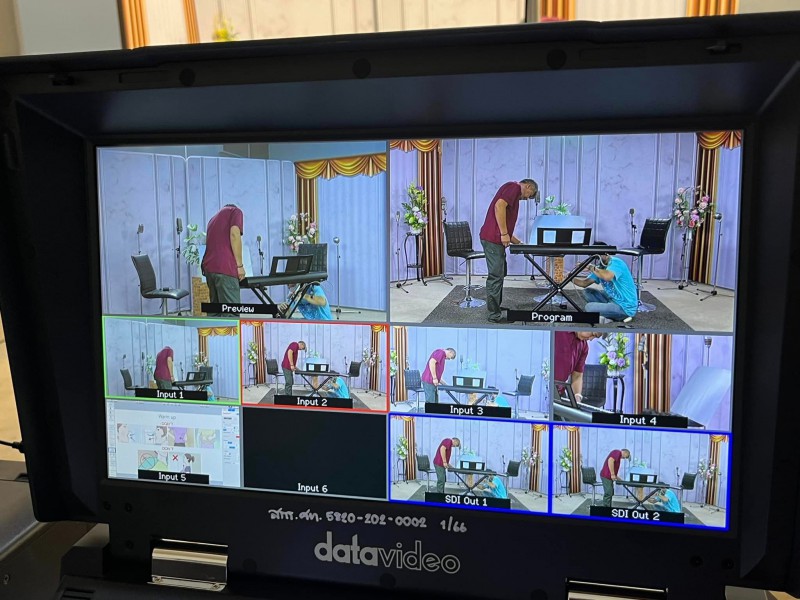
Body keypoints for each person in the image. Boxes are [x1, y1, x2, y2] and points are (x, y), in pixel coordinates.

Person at [479, 179, 539, 323]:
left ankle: (496, 308)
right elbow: (499, 206)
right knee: (496, 276)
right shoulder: (514, 187)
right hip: (493, 240)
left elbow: (504, 224)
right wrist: (504, 234)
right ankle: (494, 315)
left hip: (495, 239)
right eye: (530, 195)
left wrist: (519, 243)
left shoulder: (513, 194)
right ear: (528, 186)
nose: (527, 199)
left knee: (500, 274)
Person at [571, 246, 638, 322]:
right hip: (612, 299)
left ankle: (619, 316)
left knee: (588, 307)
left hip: (625, 307)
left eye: (598, 256)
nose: (597, 259)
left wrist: (590, 267)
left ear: (606, 254)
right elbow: (584, 283)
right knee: (587, 292)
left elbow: (607, 276)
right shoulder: (600, 267)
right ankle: (608, 312)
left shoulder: (616, 263)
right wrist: (569, 278)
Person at [201, 203, 245, 309]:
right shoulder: (235, 211)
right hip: (225, 269)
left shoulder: (212, 220)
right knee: (231, 311)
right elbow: (234, 234)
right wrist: (239, 266)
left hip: (209, 269)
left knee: (215, 311)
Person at [553, 331, 603, 401]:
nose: (591, 339)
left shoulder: (584, 347)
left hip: (559, 393)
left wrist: (577, 396)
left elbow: (577, 376)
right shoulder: (558, 332)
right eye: (593, 334)